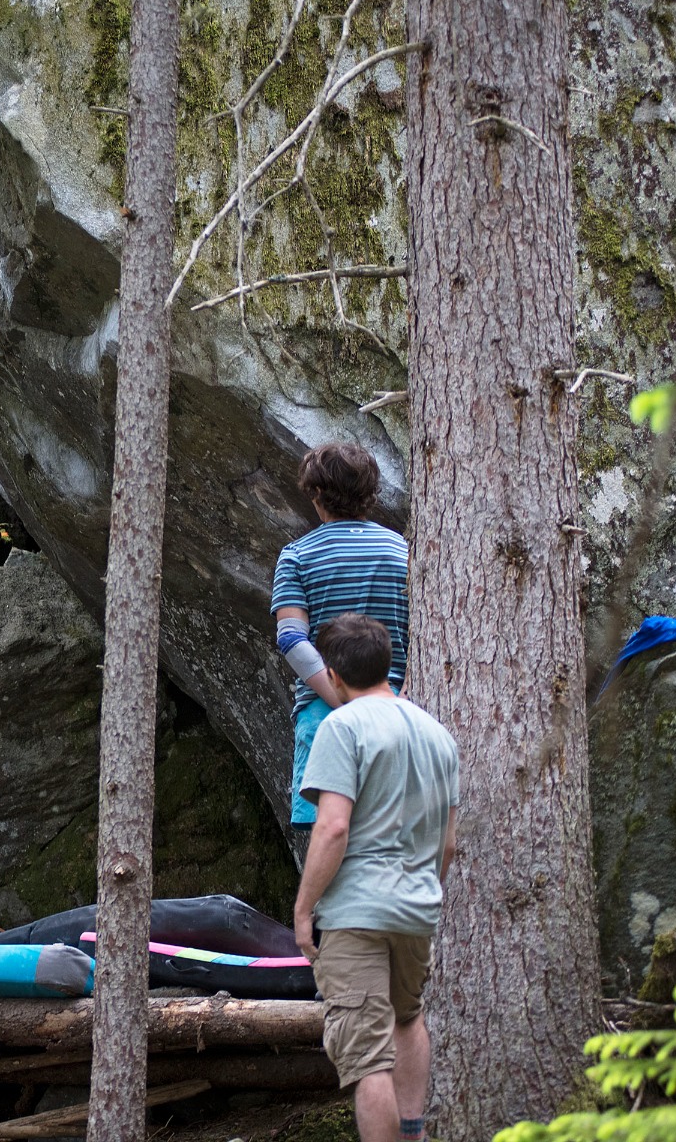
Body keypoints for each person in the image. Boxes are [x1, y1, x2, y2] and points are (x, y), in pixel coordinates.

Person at [293, 614, 458, 1142]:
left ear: (333, 675)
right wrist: (423, 891)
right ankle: (413, 1133)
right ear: (388, 665)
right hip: (417, 911)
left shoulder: (340, 727)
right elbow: (448, 843)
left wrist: (304, 909)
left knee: (367, 1059)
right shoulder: (438, 735)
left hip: (355, 914)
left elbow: (333, 827)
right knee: (407, 1018)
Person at [271, 441, 408, 829]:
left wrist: (342, 701)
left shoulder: (297, 556)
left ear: (316, 493)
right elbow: (427, 636)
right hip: (397, 710)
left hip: (325, 714)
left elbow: (291, 640)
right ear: (370, 492)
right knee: (388, 838)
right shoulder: (404, 551)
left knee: (329, 836)